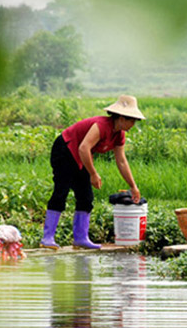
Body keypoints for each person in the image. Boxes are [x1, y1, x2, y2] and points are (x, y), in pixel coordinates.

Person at [40, 95, 145, 250]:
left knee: (86, 197)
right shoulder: (101, 125)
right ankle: (47, 238)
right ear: (121, 118)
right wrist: (93, 174)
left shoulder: (119, 135)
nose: (133, 124)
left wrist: (133, 186)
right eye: (131, 120)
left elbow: (121, 161)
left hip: (81, 156)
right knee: (61, 191)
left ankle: (81, 238)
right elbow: (84, 147)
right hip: (65, 149)